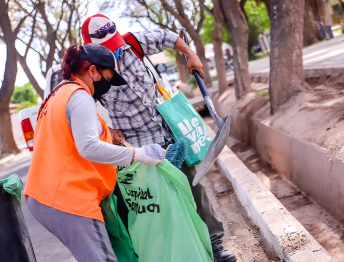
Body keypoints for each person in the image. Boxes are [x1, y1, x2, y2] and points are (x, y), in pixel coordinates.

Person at [81, 14, 237, 262]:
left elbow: (169, 37)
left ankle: (215, 246)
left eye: (115, 44)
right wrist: (107, 130)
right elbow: (82, 110)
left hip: (168, 135)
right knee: (154, 207)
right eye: (107, 49)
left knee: (194, 189)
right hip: (136, 149)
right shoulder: (89, 72)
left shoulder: (132, 42)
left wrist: (191, 55)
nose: (115, 52)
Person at [24, 43, 166, 262]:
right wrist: (140, 154)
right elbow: (88, 147)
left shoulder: (57, 94)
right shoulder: (80, 96)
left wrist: (106, 130)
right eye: (107, 79)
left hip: (45, 196)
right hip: (68, 198)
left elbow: (67, 136)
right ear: (92, 71)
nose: (107, 86)